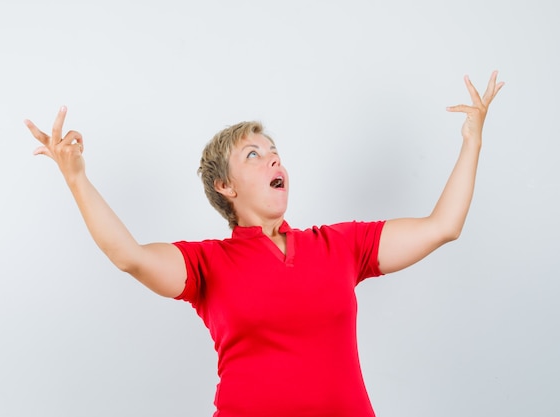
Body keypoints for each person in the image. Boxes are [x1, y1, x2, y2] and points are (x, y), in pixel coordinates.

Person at [25, 71, 504, 417]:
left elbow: (444, 225)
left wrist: (472, 141)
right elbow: (128, 255)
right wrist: (76, 178)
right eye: (253, 155)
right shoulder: (206, 263)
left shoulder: (342, 244)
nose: (274, 161)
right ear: (225, 187)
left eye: (275, 154)